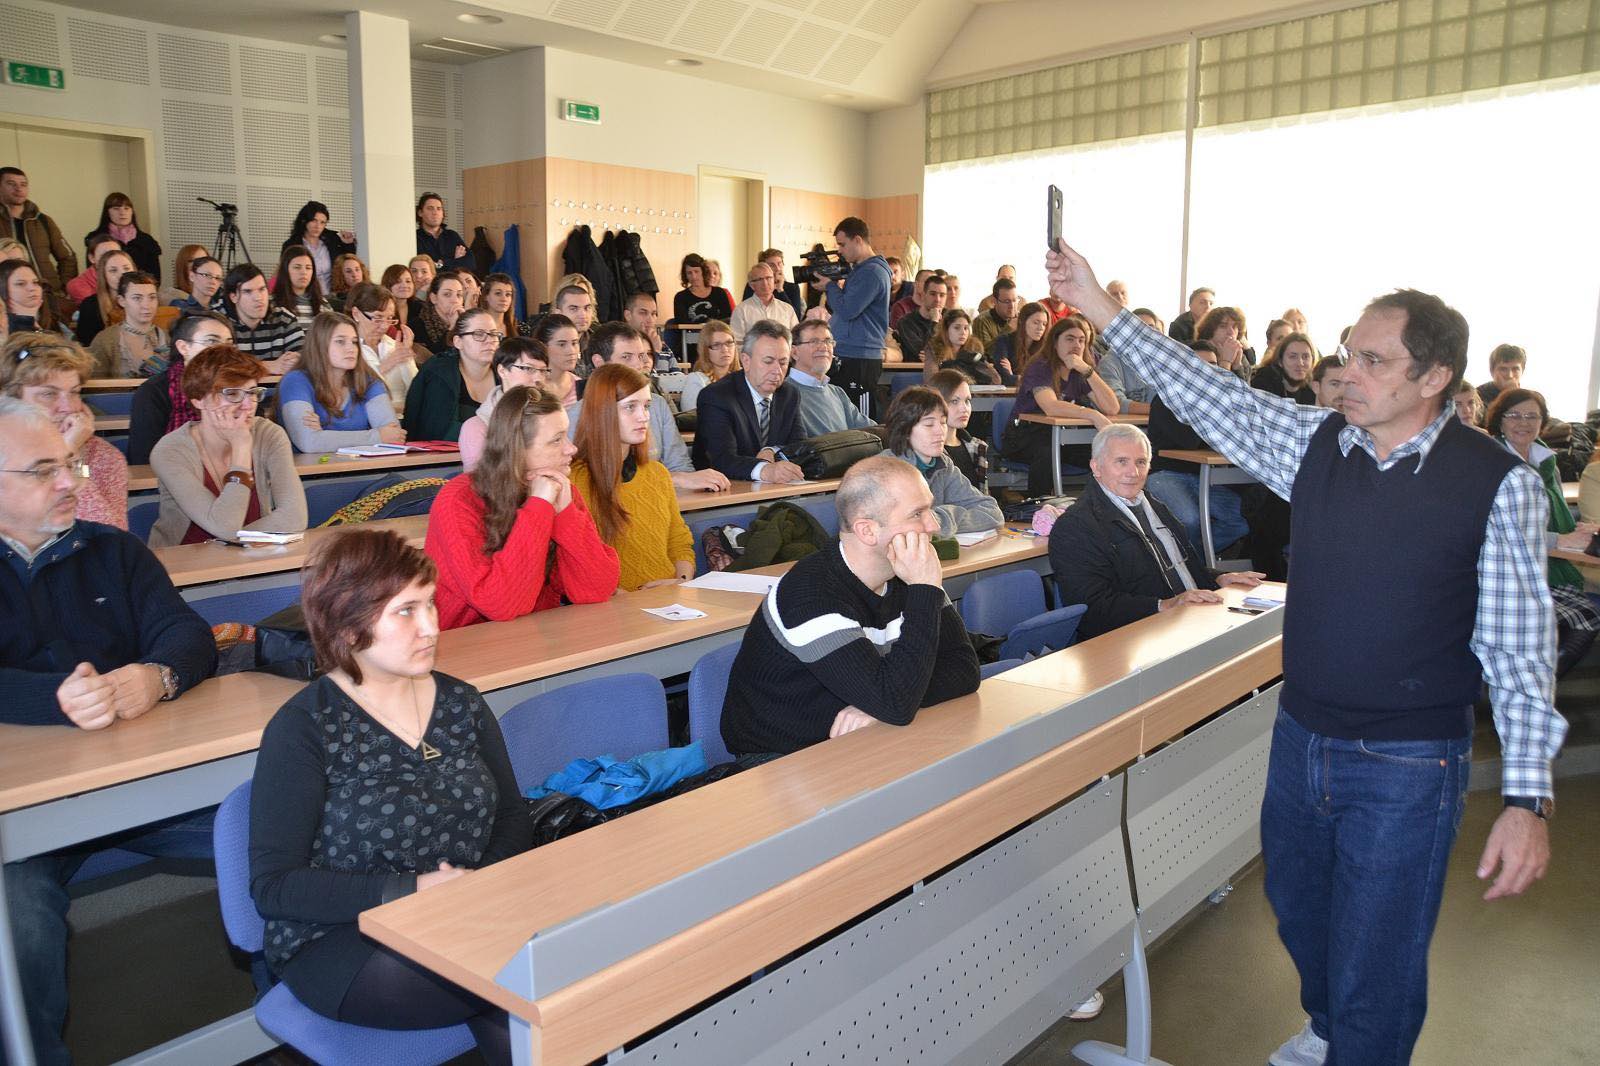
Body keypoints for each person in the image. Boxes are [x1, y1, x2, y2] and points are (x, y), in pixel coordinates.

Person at [1047, 237, 1567, 1066]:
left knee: (1379, 953)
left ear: (1434, 378)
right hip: (1301, 737)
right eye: (1348, 352)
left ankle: (1357, 1044)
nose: (1347, 372)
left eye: (1373, 361)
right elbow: (1209, 392)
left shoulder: (1496, 483)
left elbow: (1518, 648)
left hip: (1408, 760)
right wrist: (1101, 307)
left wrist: (1526, 799)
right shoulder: (1319, 443)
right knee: (1300, 910)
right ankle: (1330, 1032)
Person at [249, 528, 528, 1066]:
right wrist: (414, 890)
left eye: (430, 604)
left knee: (528, 976)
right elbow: (275, 886)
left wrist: (478, 887)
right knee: (513, 982)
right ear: (348, 625)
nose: (431, 627)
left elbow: (512, 815)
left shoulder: (461, 702)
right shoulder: (305, 727)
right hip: (345, 936)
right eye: (406, 611)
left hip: (468, 914)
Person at [0, 396, 216, 1066]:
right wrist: (55, 700)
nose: (69, 482)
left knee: (280, 827)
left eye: (70, 464)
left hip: (138, 782)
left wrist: (157, 676)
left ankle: (302, 1009)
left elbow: (186, 634)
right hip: (22, 815)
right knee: (18, 923)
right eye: (43, 470)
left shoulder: (112, 550)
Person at [719, 455, 981, 760]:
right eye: (917, 514)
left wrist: (878, 705)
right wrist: (888, 700)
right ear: (867, 530)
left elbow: (964, 668)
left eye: (930, 509)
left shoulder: (908, 571)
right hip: (780, 761)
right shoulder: (811, 596)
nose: (933, 525)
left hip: (862, 740)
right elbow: (896, 704)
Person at [424, 386, 618, 629]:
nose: (571, 448)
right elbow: (501, 604)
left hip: (536, 633)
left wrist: (566, 514)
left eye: (567, 435)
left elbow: (596, 589)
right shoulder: (458, 500)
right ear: (517, 449)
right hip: (463, 641)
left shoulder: (557, 488)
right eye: (556, 440)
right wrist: (539, 507)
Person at [1050, 423, 1262, 639]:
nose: (1133, 472)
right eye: (1121, 461)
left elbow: (1179, 568)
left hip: (1190, 620)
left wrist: (1219, 579)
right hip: (1136, 638)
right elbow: (1091, 609)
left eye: (1140, 462)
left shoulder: (1152, 505)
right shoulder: (1076, 526)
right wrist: (1164, 605)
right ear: (1096, 467)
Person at [148, 345, 308, 546]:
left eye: (252, 392)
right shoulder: (170, 451)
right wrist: (241, 448)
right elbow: (224, 526)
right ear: (199, 400)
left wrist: (230, 542)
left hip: (249, 555)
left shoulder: (269, 434)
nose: (248, 405)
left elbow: (295, 516)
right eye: (232, 394)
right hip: (184, 559)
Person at [1485, 388, 1600, 667]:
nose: (1523, 423)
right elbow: (1496, 531)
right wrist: (1559, 540)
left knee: (1587, 615)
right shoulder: (1490, 462)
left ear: (1542, 422)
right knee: (1581, 617)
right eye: (1514, 415)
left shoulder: (1548, 462)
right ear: (1499, 420)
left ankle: (1543, 680)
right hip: (1502, 572)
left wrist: (1582, 531)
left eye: (1531, 416)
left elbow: (1559, 516)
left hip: (1544, 565)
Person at [571, 363, 695, 590]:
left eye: (646, 406)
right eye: (630, 407)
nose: (643, 416)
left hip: (670, 597)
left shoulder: (657, 474)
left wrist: (681, 580)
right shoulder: (575, 482)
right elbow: (575, 566)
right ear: (602, 412)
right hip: (614, 605)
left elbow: (679, 542)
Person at [569, 323, 726, 492]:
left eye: (642, 356)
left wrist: (687, 480)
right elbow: (585, 483)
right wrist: (675, 479)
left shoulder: (657, 405)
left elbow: (680, 466)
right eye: (626, 357)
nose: (639, 365)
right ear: (599, 362)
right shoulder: (575, 416)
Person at [2, 332, 128, 528]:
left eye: (74, 392)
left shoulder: (102, 457)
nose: (68, 407)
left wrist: (69, 456)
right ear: (10, 399)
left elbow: (110, 537)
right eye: (48, 394)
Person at [1143, 341, 1252, 556]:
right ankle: (1187, 563)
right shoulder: (1166, 398)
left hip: (1207, 477)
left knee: (1242, 520)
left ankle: (1192, 559)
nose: (1206, 371)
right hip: (1166, 474)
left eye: (1212, 365)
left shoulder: (1219, 400)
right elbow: (1191, 439)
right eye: (1198, 365)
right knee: (1189, 520)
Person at [1001, 314, 1118, 495]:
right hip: (1024, 437)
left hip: (1061, 437)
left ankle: (1100, 502)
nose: (1076, 345)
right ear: (1055, 343)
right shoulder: (1040, 367)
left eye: (1081, 340)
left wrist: (1088, 371)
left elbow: (1111, 407)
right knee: (1047, 451)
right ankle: (1039, 505)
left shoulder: (1079, 372)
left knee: (1104, 451)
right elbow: (1051, 406)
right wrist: (1092, 414)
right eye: (1070, 339)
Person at [877, 386, 1003, 536]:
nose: (940, 431)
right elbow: (904, 526)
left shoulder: (942, 464)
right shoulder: (888, 470)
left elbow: (992, 512)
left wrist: (941, 518)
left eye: (943, 422)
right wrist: (933, 521)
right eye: (929, 425)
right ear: (905, 430)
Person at [692, 319, 805, 483]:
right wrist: (764, 470)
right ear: (746, 361)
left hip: (776, 488)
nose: (777, 370)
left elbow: (800, 446)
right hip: (724, 489)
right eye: (768, 361)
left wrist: (771, 450)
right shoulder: (716, 396)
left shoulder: (789, 394)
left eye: (783, 362)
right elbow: (722, 459)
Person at [278, 311, 405, 453]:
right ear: (319, 345)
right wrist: (376, 436)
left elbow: (394, 435)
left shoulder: (368, 381)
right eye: (340, 341)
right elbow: (309, 442)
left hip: (363, 466)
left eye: (354, 342)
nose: (351, 349)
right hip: (310, 467)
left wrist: (325, 436)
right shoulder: (295, 381)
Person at [127, 312, 234, 465]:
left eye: (229, 344)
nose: (223, 351)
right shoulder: (153, 392)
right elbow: (144, 457)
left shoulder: (238, 388)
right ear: (183, 347)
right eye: (212, 341)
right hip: (170, 473)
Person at [822, 217, 893, 404]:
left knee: (860, 415)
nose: (840, 250)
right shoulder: (861, 270)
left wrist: (829, 286)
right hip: (850, 353)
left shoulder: (872, 272)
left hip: (860, 356)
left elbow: (847, 310)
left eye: (842, 244)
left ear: (858, 240)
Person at [403, 307, 500, 442]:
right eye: (479, 334)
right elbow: (437, 432)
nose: (489, 340)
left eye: (494, 334)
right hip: (444, 454)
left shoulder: (506, 373)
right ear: (458, 342)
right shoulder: (440, 373)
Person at [460, 338, 547, 471]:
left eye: (543, 371)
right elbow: (482, 479)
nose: (538, 378)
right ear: (502, 371)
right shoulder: (478, 427)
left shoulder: (552, 416)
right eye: (528, 368)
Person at [0, 167, 76, 311]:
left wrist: (65, 287)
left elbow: (68, 257)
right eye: (11, 184)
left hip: (50, 297)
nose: (18, 189)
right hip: (9, 302)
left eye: (23, 184)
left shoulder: (43, 221)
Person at [788, 318, 875, 438]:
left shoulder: (837, 393)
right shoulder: (783, 395)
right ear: (794, 352)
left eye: (828, 341)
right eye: (814, 341)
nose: (824, 347)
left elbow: (871, 430)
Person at [345, 281, 418, 408]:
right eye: (378, 318)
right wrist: (383, 367)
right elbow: (351, 397)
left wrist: (407, 360)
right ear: (356, 313)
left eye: (389, 318)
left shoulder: (393, 346)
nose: (385, 326)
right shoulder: (346, 349)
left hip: (404, 415)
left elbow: (417, 389)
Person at [88, 270, 170, 378]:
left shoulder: (169, 338)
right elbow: (96, 384)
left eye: (152, 297)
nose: (146, 305)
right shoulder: (105, 340)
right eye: (137, 298)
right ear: (122, 301)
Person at [224, 264, 303, 371]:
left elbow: (304, 359)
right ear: (233, 297)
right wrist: (268, 366)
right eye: (248, 291)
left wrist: (295, 360)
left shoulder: (284, 319)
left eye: (262, 289)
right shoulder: (220, 324)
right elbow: (217, 367)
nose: (258, 297)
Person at [928, 368, 988, 491]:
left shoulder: (977, 447)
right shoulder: (927, 451)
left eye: (967, 401)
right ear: (936, 404)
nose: (964, 408)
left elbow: (983, 495)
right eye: (954, 401)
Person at [283, 200, 357, 293]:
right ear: (304, 220)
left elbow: (348, 263)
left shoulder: (333, 240)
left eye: (322, 222)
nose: (318, 226)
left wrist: (348, 244)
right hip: (304, 295)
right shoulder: (291, 244)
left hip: (334, 295)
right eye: (314, 220)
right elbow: (285, 273)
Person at [1097, 307, 1160, 415]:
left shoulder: (1161, 361)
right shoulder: (1109, 363)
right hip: (1126, 424)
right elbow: (1117, 403)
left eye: (1150, 328)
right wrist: (1161, 411)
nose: (1145, 333)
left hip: (1159, 421)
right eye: (1138, 328)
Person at [73, 247, 134, 346]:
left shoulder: (146, 300)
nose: (121, 275)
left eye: (126, 268)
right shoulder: (90, 305)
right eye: (113, 270)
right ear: (104, 275)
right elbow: (87, 345)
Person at [93, 191, 162, 280]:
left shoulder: (146, 240)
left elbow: (155, 276)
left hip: (140, 287)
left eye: (127, 208)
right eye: (116, 208)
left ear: (132, 212)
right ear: (107, 212)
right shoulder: (96, 239)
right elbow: (92, 273)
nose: (122, 213)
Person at [935, 308, 1011, 385]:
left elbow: (996, 380)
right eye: (957, 328)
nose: (963, 332)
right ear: (946, 330)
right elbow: (935, 381)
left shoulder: (974, 351)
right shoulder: (936, 351)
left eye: (966, 328)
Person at [678, 318, 738, 413]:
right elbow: (692, 419)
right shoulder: (696, 381)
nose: (725, 349)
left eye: (729, 343)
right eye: (716, 345)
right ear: (705, 350)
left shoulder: (744, 377)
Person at [729, 261, 799, 342]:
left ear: (774, 281)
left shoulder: (787, 309)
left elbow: (796, 339)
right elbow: (737, 343)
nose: (765, 283)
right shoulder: (741, 310)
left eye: (768, 278)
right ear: (752, 285)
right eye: (759, 279)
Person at [892, 272, 947, 362]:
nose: (937, 299)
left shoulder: (950, 320)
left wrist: (942, 356)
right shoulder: (906, 322)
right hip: (915, 369)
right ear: (923, 295)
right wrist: (934, 322)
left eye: (942, 295)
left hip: (947, 369)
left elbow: (958, 350)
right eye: (933, 294)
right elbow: (922, 352)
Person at [533, 312, 583, 410]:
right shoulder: (531, 385)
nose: (571, 351)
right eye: (562, 344)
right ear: (543, 346)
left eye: (574, 343)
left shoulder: (581, 387)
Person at [988, 299, 1049, 379]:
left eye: (1044, 324)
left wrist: (1014, 376)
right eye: (1036, 323)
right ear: (1021, 321)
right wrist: (1014, 377)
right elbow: (1004, 377)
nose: (1041, 328)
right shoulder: (1004, 341)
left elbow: (1047, 379)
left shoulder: (1046, 347)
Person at [740, 248, 805, 321]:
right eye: (772, 265)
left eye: (779, 263)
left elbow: (796, 317)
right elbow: (745, 311)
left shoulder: (793, 287)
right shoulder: (754, 284)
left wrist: (780, 290)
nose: (777, 268)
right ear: (763, 267)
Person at [1252, 332, 1318, 404]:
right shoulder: (1263, 384)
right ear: (1280, 361)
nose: (1300, 363)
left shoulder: (1314, 389)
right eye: (1293, 357)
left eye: (1305, 357)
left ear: (1312, 361)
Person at [272, 245, 326, 329]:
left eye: (308, 268)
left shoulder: (323, 303)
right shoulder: (272, 303)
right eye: (297, 267)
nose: (304, 272)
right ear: (285, 270)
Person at [415, 192, 472, 272]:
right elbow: (424, 270)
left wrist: (441, 263)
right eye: (430, 208)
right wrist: (455, 260)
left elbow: (471, 263)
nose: (435, 213)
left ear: (442, 214)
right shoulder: (415, 238)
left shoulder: (452, 235)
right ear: (420, 213)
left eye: (439, 208)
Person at [414, 270, 467, 355]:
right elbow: (436, 358)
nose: (455, 300)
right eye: (447, 294)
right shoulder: (416, 326)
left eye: (459, 295)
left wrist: (465, 324)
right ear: (434, 298)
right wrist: (452, 328)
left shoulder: (467, 323)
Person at [673, 253, 732, 324]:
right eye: (689, 273)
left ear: (703, 271)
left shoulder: (719, 293)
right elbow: (682, 323)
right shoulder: (680, 297)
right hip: (691, 331)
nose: (694, 276)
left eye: (696, 271)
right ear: (685, 275)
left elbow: (728, 319)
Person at [65, 231, 122, 305]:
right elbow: (101, 308)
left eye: (117, 254)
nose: (112, 259)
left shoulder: (126, 275)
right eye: (105, 255)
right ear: (92, 258)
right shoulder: (77, 285)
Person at [1194, 304, 1254, 372]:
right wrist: (1226, 361)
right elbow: (1214, 378)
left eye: (1234, 327)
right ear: (1210, 330)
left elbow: (1244, 379)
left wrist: (1237, 366)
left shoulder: (1241, 356)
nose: (1231, 332)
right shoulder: (1200, 351)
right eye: (1223, 326)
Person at [0, 258, 50, 334]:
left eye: (35, 282)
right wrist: (26, 320)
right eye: (20, 284)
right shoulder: (3, 326)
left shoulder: (49, 312)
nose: (32, 288)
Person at [970, 277, 1018, 352]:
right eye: (1007, 301)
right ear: (995, 301)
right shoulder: (982, 321)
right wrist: (1008, 330)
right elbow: (985, 353)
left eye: (1014, 300)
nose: (1012, 306)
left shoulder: (1022, 318)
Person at [622, 291, 669, 361]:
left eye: (653, 314)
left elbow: (674, 368)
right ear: (628, 315)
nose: (650, 320)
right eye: (643, 313)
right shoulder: (619, 345)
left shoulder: (661, 345)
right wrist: (655, 351)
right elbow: (638, 368)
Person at [480, 271, 527, 340]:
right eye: (498, 293)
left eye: (508, 294)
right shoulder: (477, 326)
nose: (504, 299)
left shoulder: (519, 328)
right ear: (485, 296)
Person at [1477, 342, 1525, 408]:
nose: (1510, 375)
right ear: (1492, 371)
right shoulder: (1477, 397)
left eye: (1515, 369)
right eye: (1503, 369)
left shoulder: (1529, 399)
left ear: (1522, 371)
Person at [382, 262, 422, 330]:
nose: (404, 285)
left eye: (408, 281)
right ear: (388, 285)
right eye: (398, 281)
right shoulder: (381, 309)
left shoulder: (420, 308)